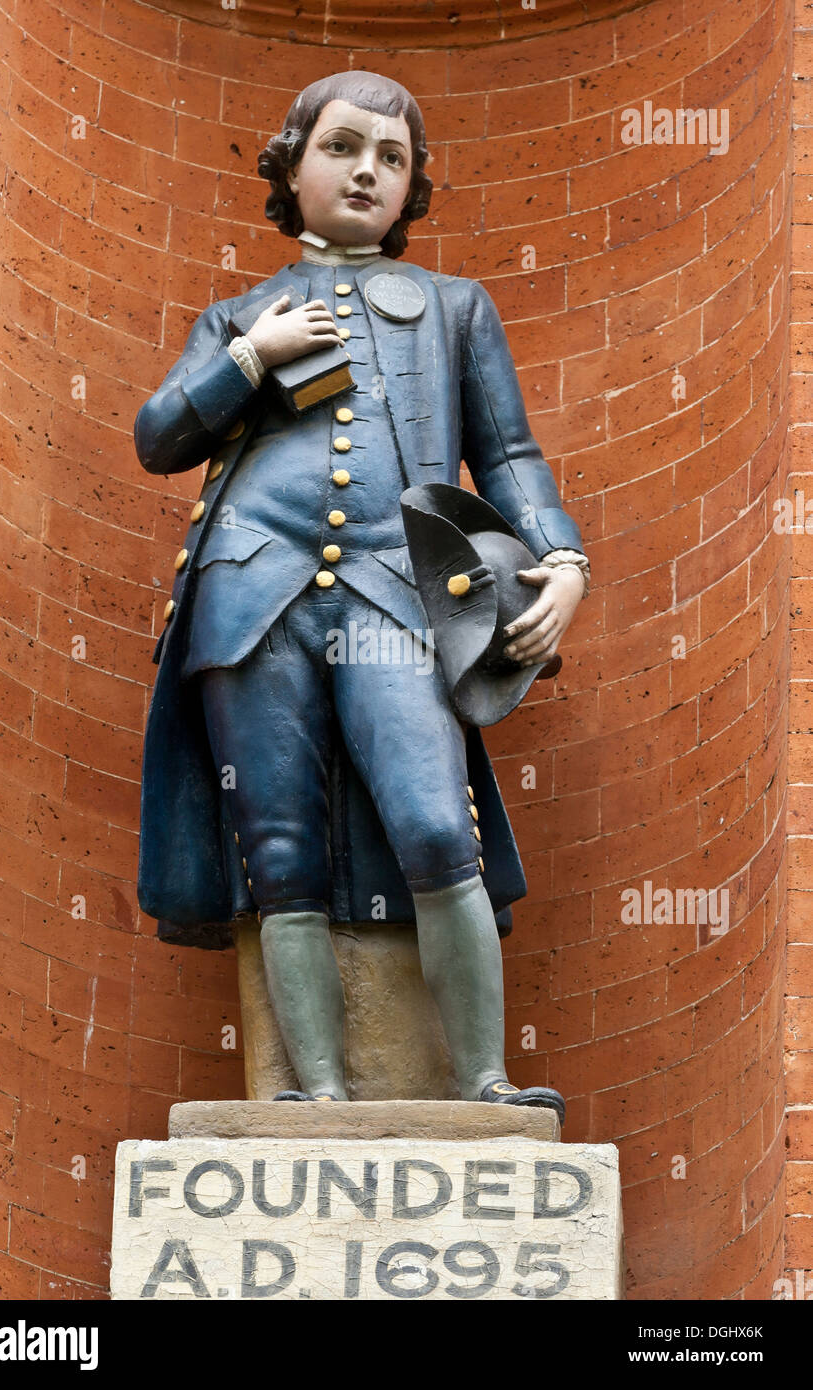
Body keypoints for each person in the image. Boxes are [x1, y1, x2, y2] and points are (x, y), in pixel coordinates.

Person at [134, 71, 590, 1118]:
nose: (366, 171)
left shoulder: (453, 308)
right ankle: (318, 1095)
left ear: (411, 189)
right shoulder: (239, 313)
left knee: (436, 825)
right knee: (279, 850)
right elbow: (160, 436)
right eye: (341, 148)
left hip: (391, 596)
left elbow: (507, 454)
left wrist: (561, 560)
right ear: (290, 169)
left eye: (391, 158)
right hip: (252, 598)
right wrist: (251, 355)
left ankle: (481, 1080)